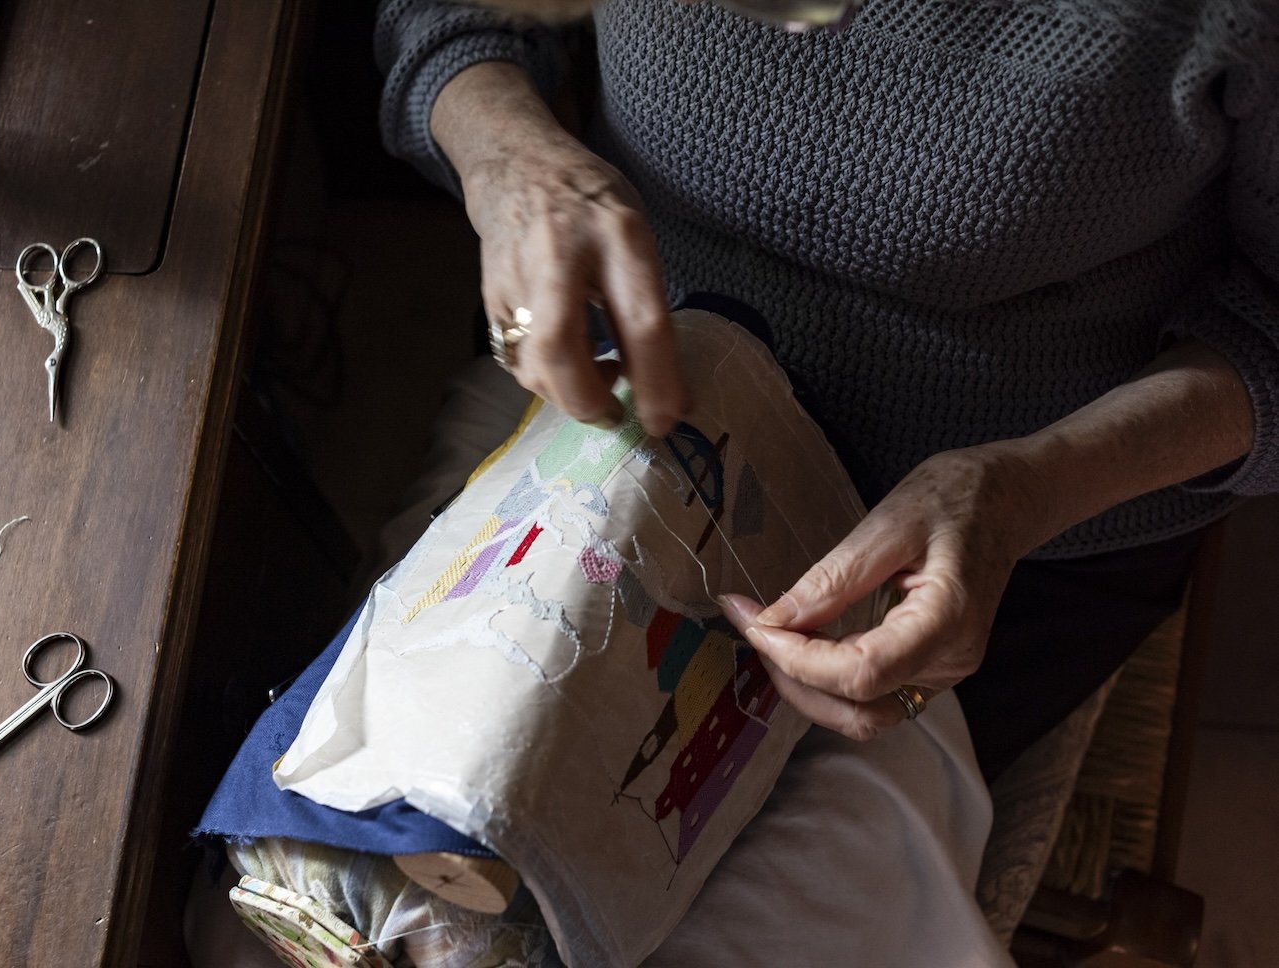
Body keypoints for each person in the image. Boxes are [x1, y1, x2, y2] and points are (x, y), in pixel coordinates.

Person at [377, 0, 1277, 779]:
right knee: (396, 781)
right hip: (612, 368)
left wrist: (1024, 491)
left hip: (1017, 507)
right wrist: (504, 153)